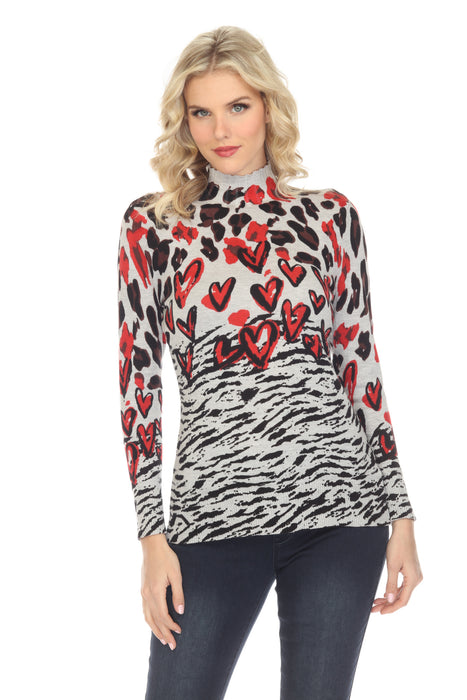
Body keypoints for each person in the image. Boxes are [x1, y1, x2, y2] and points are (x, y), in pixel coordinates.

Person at [117, 25, 423, 700]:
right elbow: (139, 382)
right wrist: (151, 537)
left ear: (267, 106)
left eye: (238, 106)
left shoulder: (329, 218)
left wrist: (399, 514)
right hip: (210, 516)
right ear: (183, 120)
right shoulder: (153, 226)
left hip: (338, 511)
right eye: (201, 112)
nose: (221, 130)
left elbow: (360, 367)